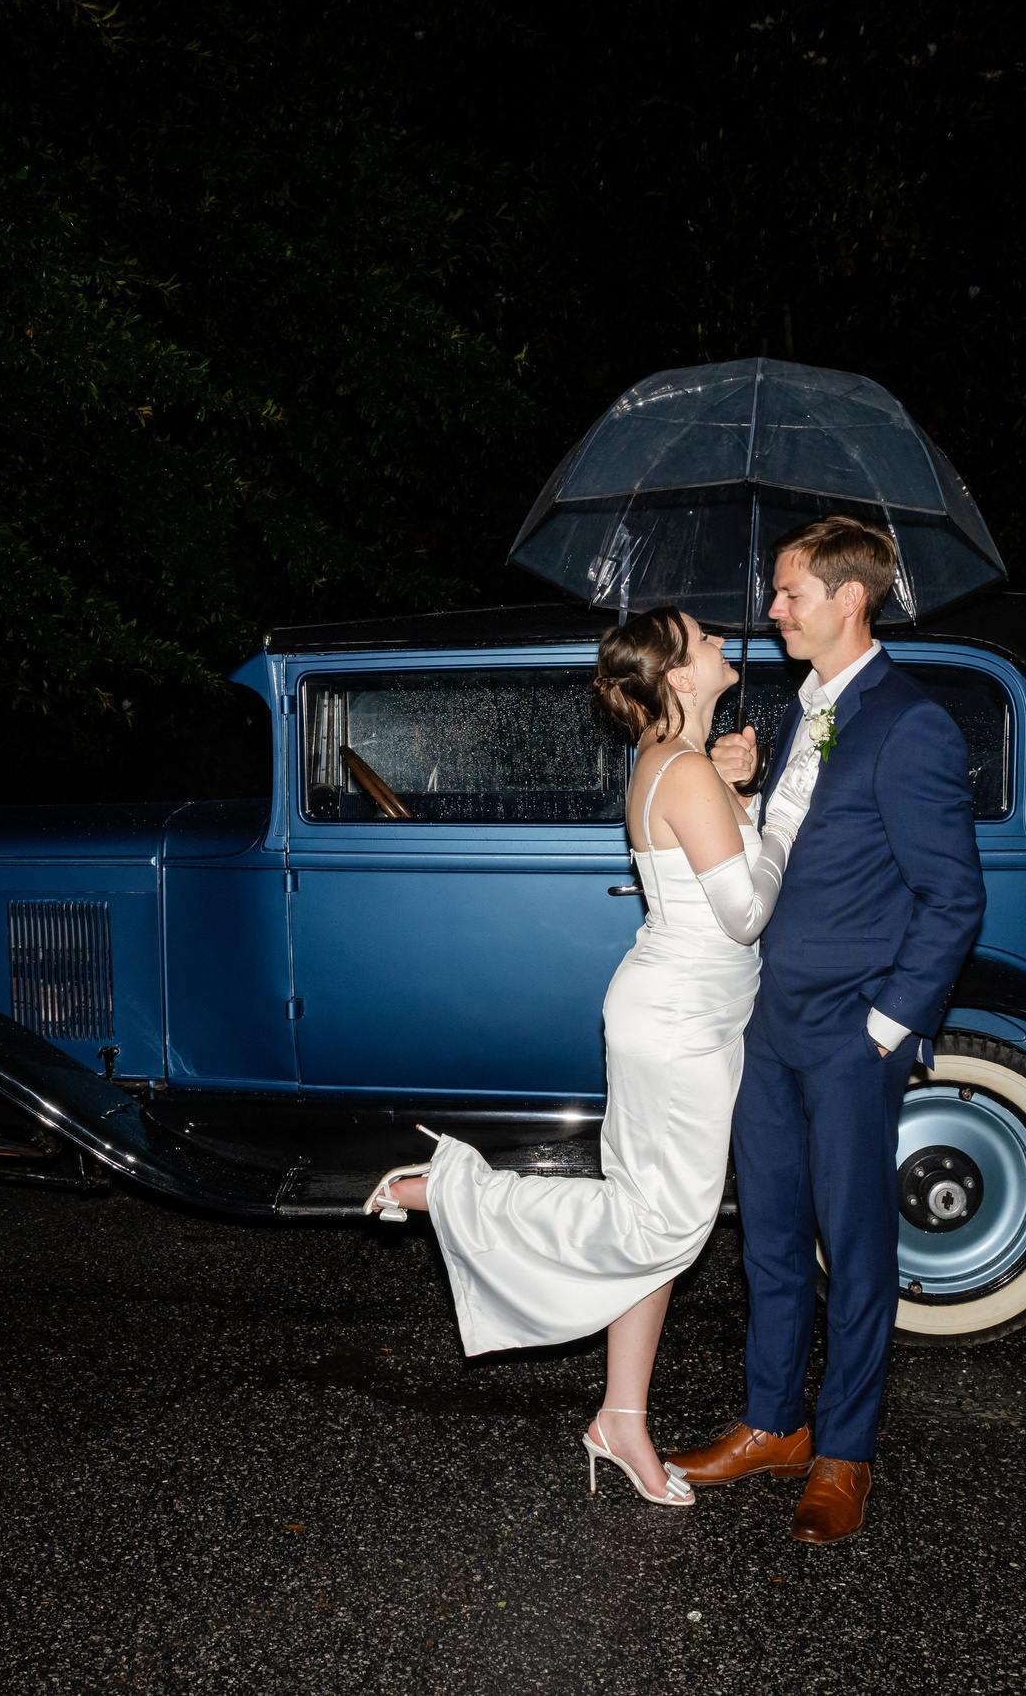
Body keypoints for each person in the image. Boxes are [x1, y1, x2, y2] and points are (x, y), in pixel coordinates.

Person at [360, 606, 818, 1506]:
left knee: (647, 1223)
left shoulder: (681, 760)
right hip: (678, 1026)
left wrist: (745, 789)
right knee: (665, 1228)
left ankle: (622, 1420)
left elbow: (720, 863)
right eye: (705, 638)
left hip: (692, 1016)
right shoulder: (681, 769)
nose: (727, 640)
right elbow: (749, 912)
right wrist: (785, 809)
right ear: (680, 678)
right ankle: (451, 1190)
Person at [662, 515, 986, 1545]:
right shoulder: (806, 713)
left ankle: (844, 1452)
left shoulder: (911, 723)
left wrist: (888, 1026)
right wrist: (749, 789)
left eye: (789, 591)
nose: (771, 608)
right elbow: (794, 862)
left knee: (853, 1246)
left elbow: (953, 898)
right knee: (765, 1234)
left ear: (850, 599)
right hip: (768, 1022)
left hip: (852, 1034)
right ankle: (773, 1423)